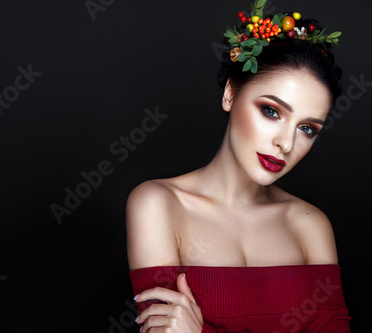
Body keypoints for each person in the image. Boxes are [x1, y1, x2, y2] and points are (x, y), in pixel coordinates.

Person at [125, 1, 351, 332]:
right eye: (272, 111)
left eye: (307, 129)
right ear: (230, 93)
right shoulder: (157, 205)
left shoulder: (311, 226)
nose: (286, 144)